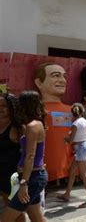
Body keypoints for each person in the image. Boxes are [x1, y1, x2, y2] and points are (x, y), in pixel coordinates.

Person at [2, 91, 48, 222]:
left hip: (32, 178)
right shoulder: (34, 124)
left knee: (5, 219)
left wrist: (24, 184)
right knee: (37, 218)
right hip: (33, 176)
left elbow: (30, 156)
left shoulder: (32, 126)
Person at [34, 63, 72, 183]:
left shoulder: (72, 109)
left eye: (64, 76)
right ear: (39, 83)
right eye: (55, 75)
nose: (62, 80)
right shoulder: (37, 109)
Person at [57, 103, 86, 208]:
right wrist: (81, 137)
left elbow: (71, 141)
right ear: (81, 112)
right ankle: (67, 194)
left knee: (83, 174)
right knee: (72, 171)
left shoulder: (75, 124)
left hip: (80, 149)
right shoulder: (84, 121)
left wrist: (67, 138)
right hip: (84, 146)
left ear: (72, 113)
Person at [0, 93, 24, 222]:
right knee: (7, 205)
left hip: (13, 177)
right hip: (1, 175)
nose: (0, 108)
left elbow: (28, 151)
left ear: (11, 108)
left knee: (16, 211)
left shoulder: (17, 128)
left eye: (4, 106)